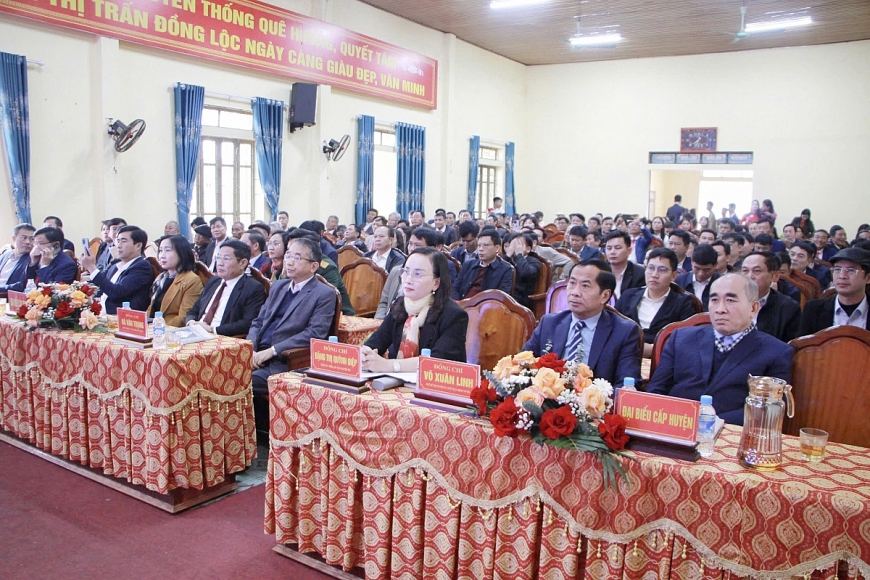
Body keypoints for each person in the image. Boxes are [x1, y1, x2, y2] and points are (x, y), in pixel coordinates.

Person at [647, 274, 794, 425]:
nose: (720, 309)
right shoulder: (681, 338)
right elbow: (655, 391)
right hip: (675, 424)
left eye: (730, 300)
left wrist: (709, 423)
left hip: (731, 431)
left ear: (753, 308)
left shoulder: (776, 352)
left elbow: (769, 410)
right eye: (714, 300)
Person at [248, 238, 337, 431]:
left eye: (297, 258)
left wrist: (272, 351)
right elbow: (258, 321)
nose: (289, 262)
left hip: (284, 362)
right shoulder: (279, 286)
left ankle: (248, 436)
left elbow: (315, 333)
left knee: (237, 381)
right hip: (256, 355)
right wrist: (251, 348)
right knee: (217, 372)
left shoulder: (323, 294)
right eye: (288, 256)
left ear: (314, 266)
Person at [523, 259, 641, 388]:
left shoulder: (624, 332)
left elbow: (625, 385)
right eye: (572, 283)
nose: (575, 292)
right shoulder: (549, 323)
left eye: (585, 286)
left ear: (605, 296)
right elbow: (521, 365)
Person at [363, 247, 468, 371]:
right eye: (406, 272)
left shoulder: (454, 316)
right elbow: (376, 342)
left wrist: (390, 365)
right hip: (397, 380)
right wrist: (365, 354)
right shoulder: (400, 305)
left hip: (437, 381)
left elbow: (438, 362)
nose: (408, 280)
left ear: (436, 283)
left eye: (418, 274)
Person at [616, 248, 695, 357]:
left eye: (662, 270)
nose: (654, 275)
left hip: (664, 359)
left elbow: (685, 340)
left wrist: (653, 349)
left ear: (673, 276)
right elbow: (614, 329)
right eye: (651, 268)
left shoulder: (683, 303)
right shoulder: (628, 296)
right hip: (625, 356)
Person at [185, 239, 267, 336]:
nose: (220, 263)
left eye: (226, 259)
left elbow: (247, 323)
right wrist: (191, 323)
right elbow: (194, 310)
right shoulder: (213, 281)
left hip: (220, 336)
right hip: (197, 332)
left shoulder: (253, 288)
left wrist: (212, 329)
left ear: (243, 263)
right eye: (218, 257)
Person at [82, 226, 155, 313]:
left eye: (123, 241)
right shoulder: (115, 264)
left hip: (122, 317)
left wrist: (91, 268)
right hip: (101, 313)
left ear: (138, 246)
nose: (119, 245)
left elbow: (116, 293)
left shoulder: (142, 267)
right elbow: (102, 289)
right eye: (118, 241)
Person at [799, 247, 870, 335]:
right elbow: (803, 343)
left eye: (851, 270)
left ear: (868, 278)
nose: (842, 276)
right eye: (837, 269)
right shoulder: (814, 309)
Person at [287, 228, 355, 315]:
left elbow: (325, 299)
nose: (290, 259)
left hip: (337, 314)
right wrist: (283, 274)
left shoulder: (328, 267)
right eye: (289, 252)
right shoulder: (289, 262)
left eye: (296, 254)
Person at [740, 251, 800, 342]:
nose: (749, 276)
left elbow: (789, 345)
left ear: (774, 276)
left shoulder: (788, 307)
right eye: (745, 271)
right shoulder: (727, 300)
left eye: (756, 271)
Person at [148, 235, 203, 326]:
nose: (162, 256)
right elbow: (151, 309)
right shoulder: (161, 278)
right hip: (154, 327)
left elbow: (183, 318)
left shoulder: (192, 280)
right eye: (160, 250)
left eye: (168, 250)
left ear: (182, 253)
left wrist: (158, 328)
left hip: (170, 329)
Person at [452, 229, 513, 300]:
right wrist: (458, 303)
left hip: (486, 305)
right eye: (479, 245)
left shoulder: (505, 269)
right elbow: (455, 288)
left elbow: (501, 297)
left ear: (497, 248)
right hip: (462, 303)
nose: (480, 249)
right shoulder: (468, 265)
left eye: (485, 245)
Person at [502, 232, 541, 309]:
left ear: (528, 249)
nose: (515, 247)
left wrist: (519, 255)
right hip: (505, 294)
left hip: (521, 298)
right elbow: (497, 271)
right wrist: (508, 255)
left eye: (518, 245)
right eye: (513, 244)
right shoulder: (507, 259)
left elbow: (526, 273)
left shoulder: (534, 261)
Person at [675, 244, 719, 311]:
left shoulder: (721, 283)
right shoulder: (679, 281)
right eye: (697, 268)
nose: (701, 274)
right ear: (692, 262)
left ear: (715, 265)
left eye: (706, 270)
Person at [603, 231, 645, 301]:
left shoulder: (640, 275)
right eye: (609, 248)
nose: (612, 252)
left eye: (617, 248)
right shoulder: (599, 271)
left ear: (629, 251)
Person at [0, 223, 36, 294]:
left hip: (8, 296)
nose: (28, 242)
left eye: (31, 239)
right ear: (14, 238)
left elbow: (21, 285)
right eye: (24, 238)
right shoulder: (5, 255)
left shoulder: (32, 259)